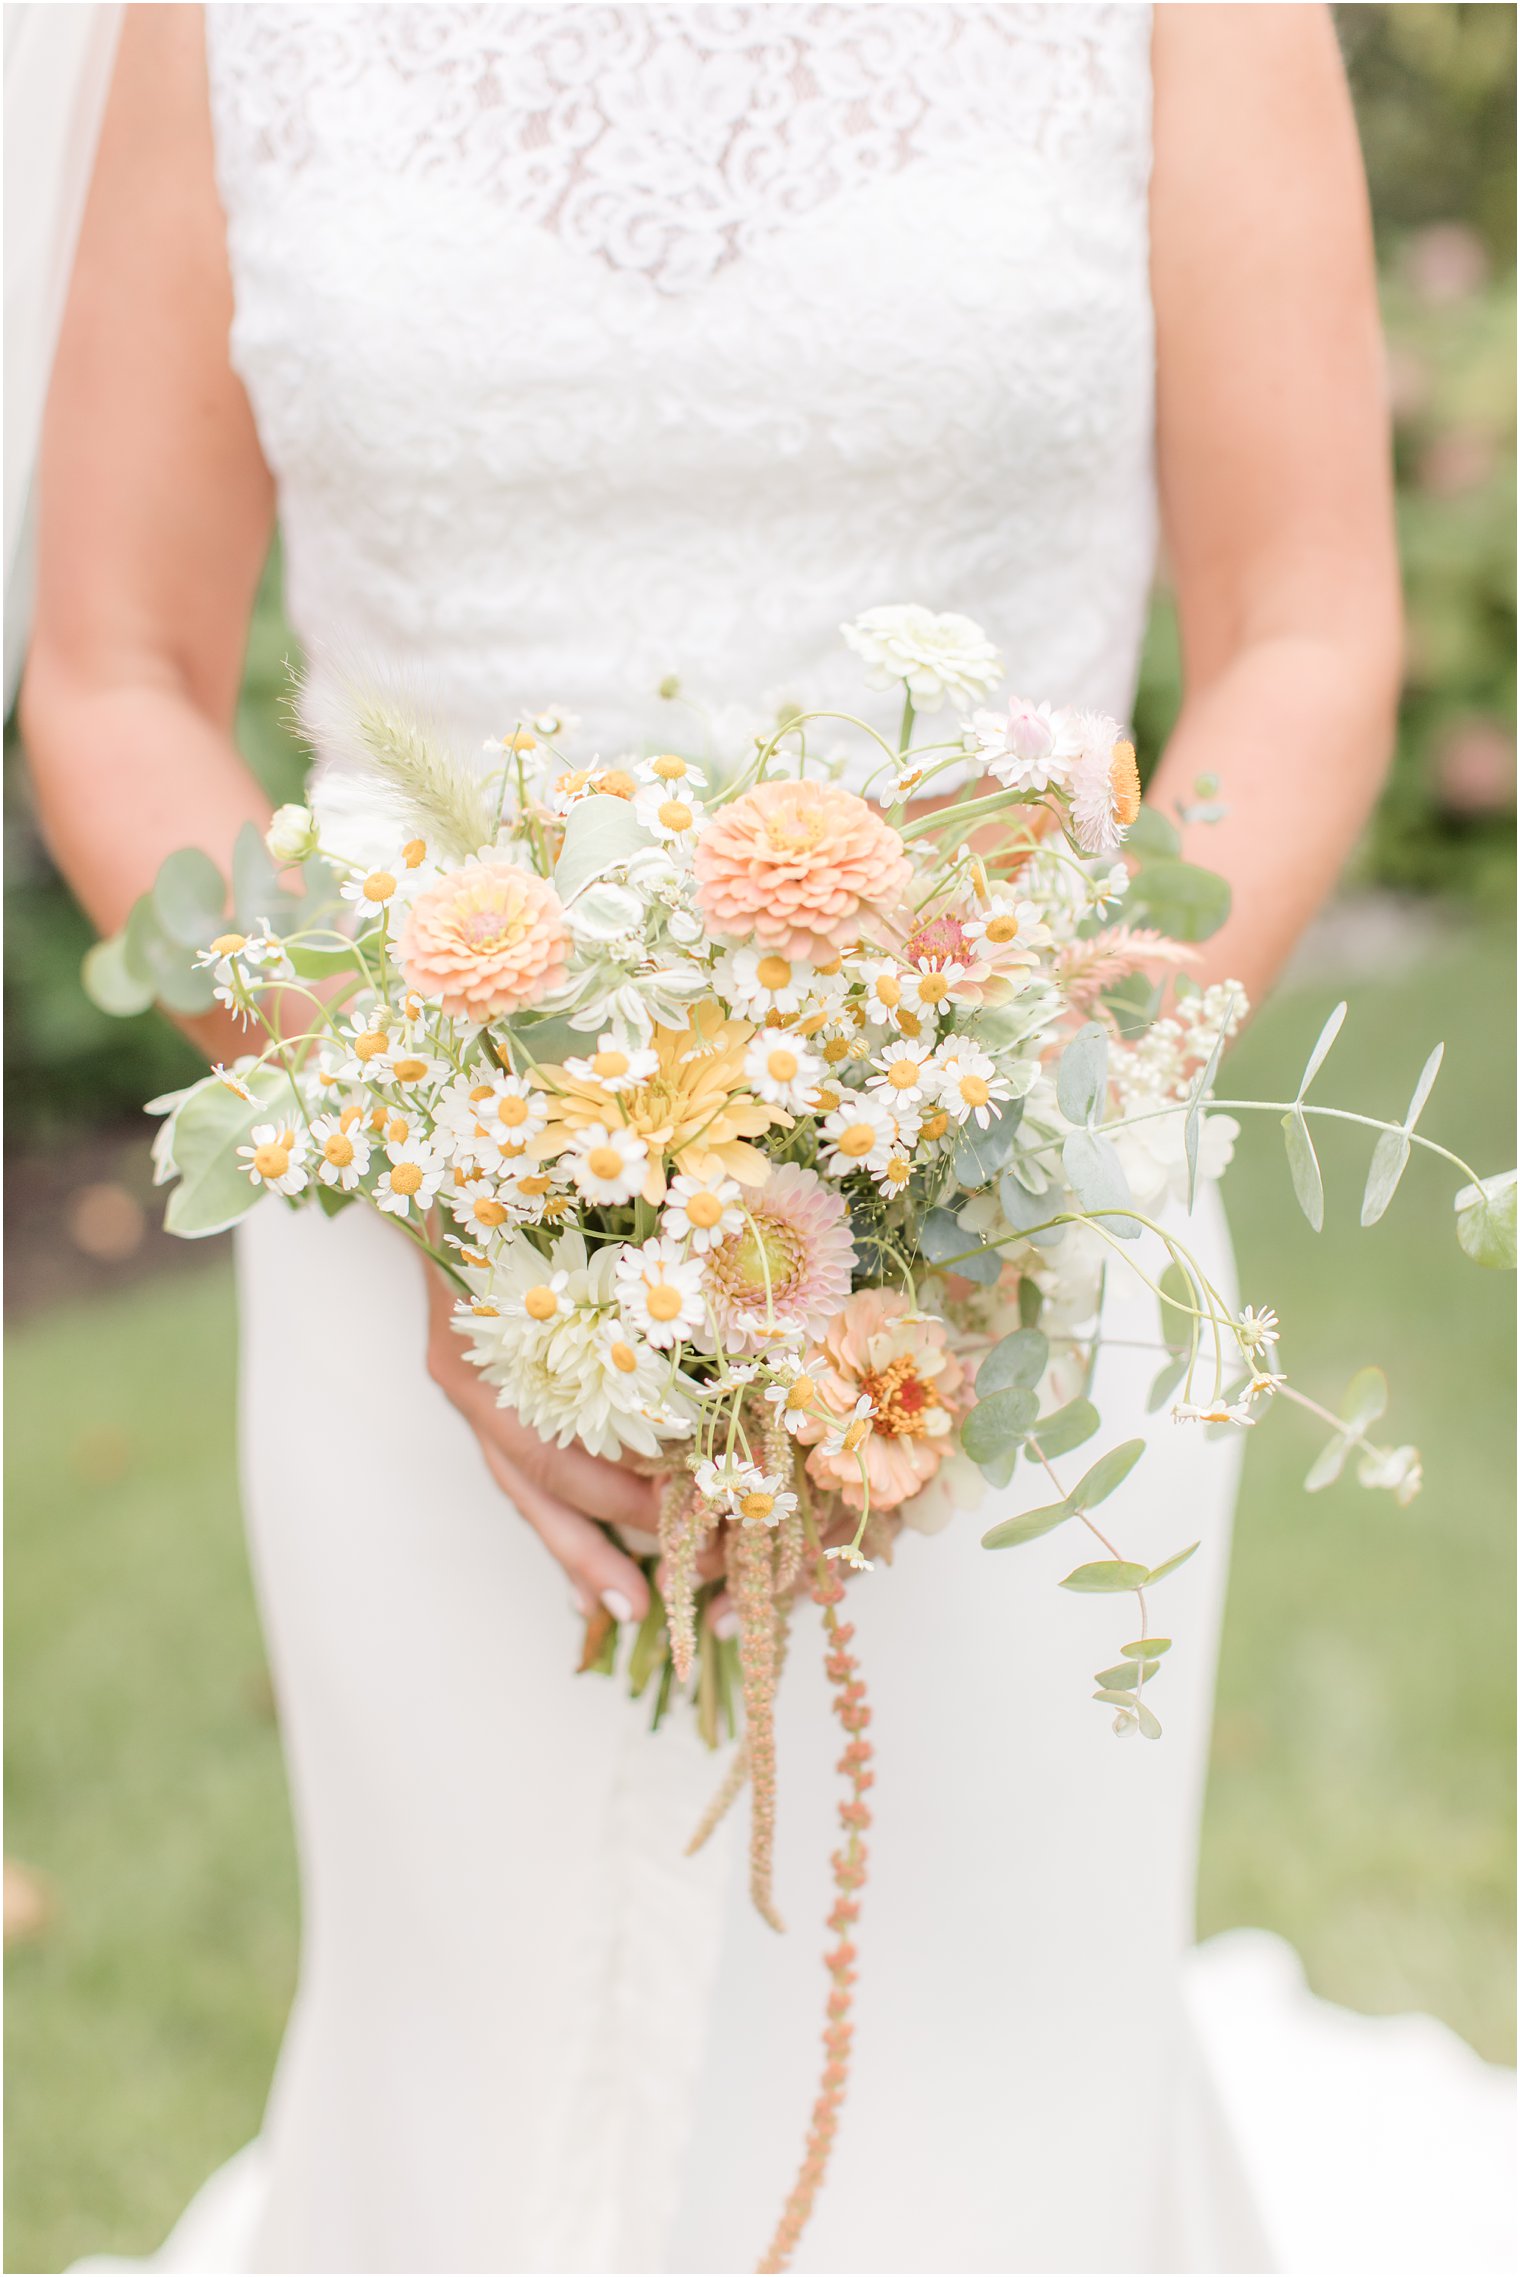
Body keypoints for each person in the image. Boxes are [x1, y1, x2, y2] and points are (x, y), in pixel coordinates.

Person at [23, 7, 1428, 2272]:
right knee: (475, 2084)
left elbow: (1306, 625)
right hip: (425, 1257)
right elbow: (109, 665)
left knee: (977, 2108)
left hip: (1021, 1219)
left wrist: (981, 1133)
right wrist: (453, 1170)